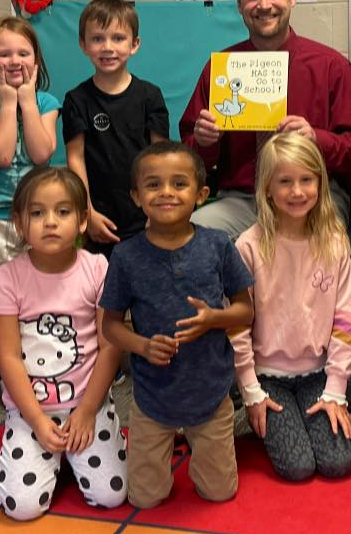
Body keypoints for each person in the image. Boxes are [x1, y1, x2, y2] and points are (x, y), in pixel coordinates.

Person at [179, 0, 351, 240]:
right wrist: (204, 143)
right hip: (242, 200)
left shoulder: (330, 66)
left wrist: (317, 139)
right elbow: (188, 157)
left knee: (313, 246)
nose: (264, 4)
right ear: (239, 5)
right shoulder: (220, 68)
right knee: (189, 237)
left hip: (314, 197)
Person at [99, 143, 254, 508]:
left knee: (219, 493)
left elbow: (245, 311)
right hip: (153, 395)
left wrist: (214, 319)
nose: (166, 192)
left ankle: (198, 446)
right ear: (136, 196)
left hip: (210, 391)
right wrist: (141, 345)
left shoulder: (218, 245)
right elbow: (111, 326)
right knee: (145, 500)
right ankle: (161, 451)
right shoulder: (126, 255)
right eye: (153, 185)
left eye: (179, 184)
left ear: (201, 195)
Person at [0, 167, 128, 519]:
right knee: (21, 508)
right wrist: (35, 419)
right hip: (30, 409)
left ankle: (88, 447)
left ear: (82, 221)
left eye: (62, 212)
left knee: (112, 496)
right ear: (20, 224)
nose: (50, 222)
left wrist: (86, 411)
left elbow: (110, 345)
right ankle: (45, 450)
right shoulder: (8, 278)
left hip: (87, 403)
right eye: (37, 213)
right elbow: (8, 357)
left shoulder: (97, 269)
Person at [232, 133, 351, 481]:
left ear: (320, 183)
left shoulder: (333, 243)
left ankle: (303, 415)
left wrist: (336, 390)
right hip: (268, 378)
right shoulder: (249, 246)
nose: (297, 191)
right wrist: (251, 390)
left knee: (337, 464)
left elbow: (346, 322)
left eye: (306, 179)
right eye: (285, 181)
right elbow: (237, 325)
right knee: (298, 468)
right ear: (267, 188)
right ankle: (267, 419)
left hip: (317, 374)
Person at [0, 17, 60, 326]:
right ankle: (5, 360)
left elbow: (41, 153)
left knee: (41, 287)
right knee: (0, 297)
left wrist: (28, 103)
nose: (14, 61)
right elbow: (2, 155)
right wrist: (8, 104)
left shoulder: (46, 102)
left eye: (24, 53)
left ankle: (39, 354)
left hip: (37, 213)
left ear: (36, 59)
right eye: (4, 54)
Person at [64, 0, 170, 256]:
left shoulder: (150, 96)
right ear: (83, 45)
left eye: (118, 38)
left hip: (145, 218)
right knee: (102, 292)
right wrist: (87, 213)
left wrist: (156, 210)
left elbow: (161, 157)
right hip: (99, 218)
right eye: (97, 38)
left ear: (134, 44)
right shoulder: (76, 99)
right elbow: (75, 159)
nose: (107, 47)